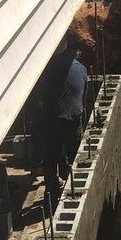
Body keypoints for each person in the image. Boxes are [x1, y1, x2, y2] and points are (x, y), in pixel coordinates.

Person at [42, 33, 88, 208]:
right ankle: (74, 192)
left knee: (50, 158)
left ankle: (51, 193)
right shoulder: (81, 69)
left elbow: (42, 92)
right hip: (72, 121)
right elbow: (84, 98)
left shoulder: (49, 65)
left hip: (52, 120)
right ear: (76, 51)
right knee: (76, 157)